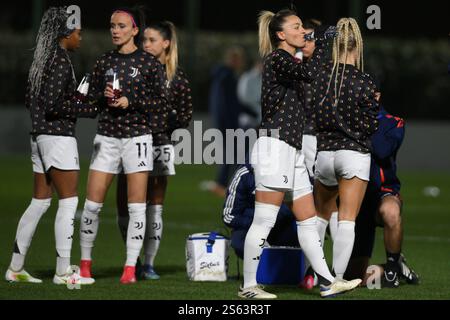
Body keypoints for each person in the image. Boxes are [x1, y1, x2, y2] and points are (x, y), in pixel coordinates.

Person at [239, 9, 361, 299]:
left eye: (303, 26)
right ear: (281, 34)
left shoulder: (290, 60)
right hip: (274, 146)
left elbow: (314, 75)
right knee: (264, 221)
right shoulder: (278, 58)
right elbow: (310, 71)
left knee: (307, 220)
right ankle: (248, 287)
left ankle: (328, 281)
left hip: (290, 150)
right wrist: (320, 40)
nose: (302, 30)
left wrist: (319, 44)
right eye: (296, 27)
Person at [5, 7, 97, 285]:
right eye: (78, 33)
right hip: (57, 138)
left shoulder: (42, 59)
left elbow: (33, 101)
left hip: (39, 137)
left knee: (40, 202)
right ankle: (62, 272)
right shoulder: (59, 60)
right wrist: (88, 106)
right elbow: (56, 104)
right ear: (65, 33)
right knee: (68, 202)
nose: (80, 38)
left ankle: (15, 268)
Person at [78, 8, 169, 284]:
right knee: (92, 205)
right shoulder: (103, 61)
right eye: (112, 26)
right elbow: (90, 102)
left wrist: (132, 102)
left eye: (120, 26)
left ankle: (130, 268)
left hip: (138, 139)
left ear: (134, 30)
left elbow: (162, 106)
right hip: (106, 137)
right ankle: (84, 265)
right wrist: (94, 99)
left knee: (137, 207)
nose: (115, 30)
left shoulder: (150, 63)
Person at [116, 20, 193, 280]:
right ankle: (132, 259)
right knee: (123, 204)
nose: (145, 45)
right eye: (144, 40)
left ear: (166, 44)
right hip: (127, 141)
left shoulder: (177, 77)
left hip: (160, 143)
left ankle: (148, 263)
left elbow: (184, 117)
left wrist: (159, 120)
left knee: (154, 205)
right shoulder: (131, 69)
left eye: (151, 40)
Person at [313, 18, 380, 281]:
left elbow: (314, 115)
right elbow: (371, 125)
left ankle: (316, 275)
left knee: (319, 217)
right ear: (357, 48)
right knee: (347, 219)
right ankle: (338, 278)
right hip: (353, 154)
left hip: (325, 154)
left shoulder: (321, 78)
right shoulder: (364, 81)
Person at [344, 106, 420, 287]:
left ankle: (392, 270)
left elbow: (382, 150)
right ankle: (394, 268)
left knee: (390, 212)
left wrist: (360, 124)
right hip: (355, 199)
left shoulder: (393, 122)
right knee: (354, 279)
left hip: (382, 193)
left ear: (375, 95)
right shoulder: (345, 116)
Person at [223, 164, 299, 260]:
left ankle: (302, 269)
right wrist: (256, 223)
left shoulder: (291, 171)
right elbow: (229, 215)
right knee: (240, 242)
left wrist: (269, 220)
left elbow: (298, 206)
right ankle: (254, 273)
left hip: (280, 225)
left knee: (304, 229)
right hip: (251, 226)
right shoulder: (244, 174)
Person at [205, 46, 246, 197]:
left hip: (226, 122)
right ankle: (224, 183)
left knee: (232, 154)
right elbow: (228, 104)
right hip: (228, 123)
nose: (239, 62)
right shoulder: (227, 77)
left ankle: (223, 183)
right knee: (233, 154)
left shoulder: (224, 76)